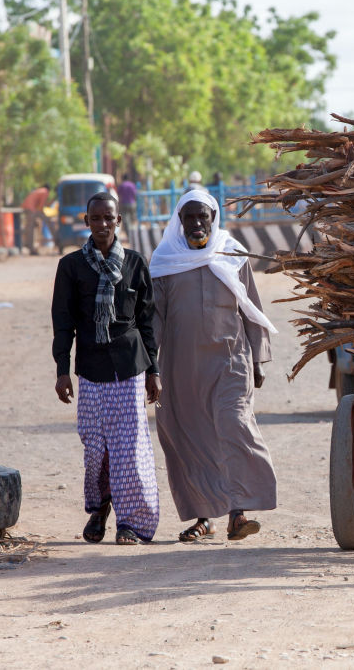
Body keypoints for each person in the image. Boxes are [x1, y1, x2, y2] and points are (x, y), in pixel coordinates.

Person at [149, 190, 278, 543]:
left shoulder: (232, 254)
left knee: (235, 425)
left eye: (202, 216)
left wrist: (258, 358)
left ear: (213, 218)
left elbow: (251, 307)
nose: (196, 223)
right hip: (181, 366)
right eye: (189, 217)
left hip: (230, 361)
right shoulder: (165, 260)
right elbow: (155, 318)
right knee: (189, 438)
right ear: (179, 221)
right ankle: (203, 518)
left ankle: (239, 511)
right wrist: (149, 368)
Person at [51, 192, 162, 545]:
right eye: (95, 218)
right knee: (96, 447)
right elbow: (63, 323)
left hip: (130, 367)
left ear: (118, 221)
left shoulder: (135, 263)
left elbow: (146, 321)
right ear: (86, 222)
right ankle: (100, 509)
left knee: (129, 449)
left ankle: (131, 522)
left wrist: (154, 371)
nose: (102, 224)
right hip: (91, 369)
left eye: (108, 218)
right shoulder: (71, 266)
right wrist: (62, 370)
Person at [21, 183, 51, 255]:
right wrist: (44, 216)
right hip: (31, 209)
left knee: (30, 228)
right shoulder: (45, 191)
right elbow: (41, 206)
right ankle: (31, 248)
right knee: (30, 229)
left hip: (27, 207)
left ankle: (29, 246)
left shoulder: (39, 190)